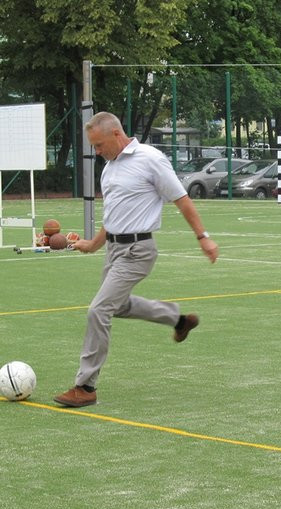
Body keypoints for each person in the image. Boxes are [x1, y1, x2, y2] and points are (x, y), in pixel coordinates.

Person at [54, 112, 219, 408]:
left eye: (99, 144)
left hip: (138, 251)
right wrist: (93, 244)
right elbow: (114, 215)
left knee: (98, 310)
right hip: (114, 251)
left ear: (117, 135)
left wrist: (203, 237)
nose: (97, 151)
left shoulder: (150, 159)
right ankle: (179, 320)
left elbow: (182, 199)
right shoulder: (109, 167)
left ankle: (85, 386)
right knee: (118, 306)